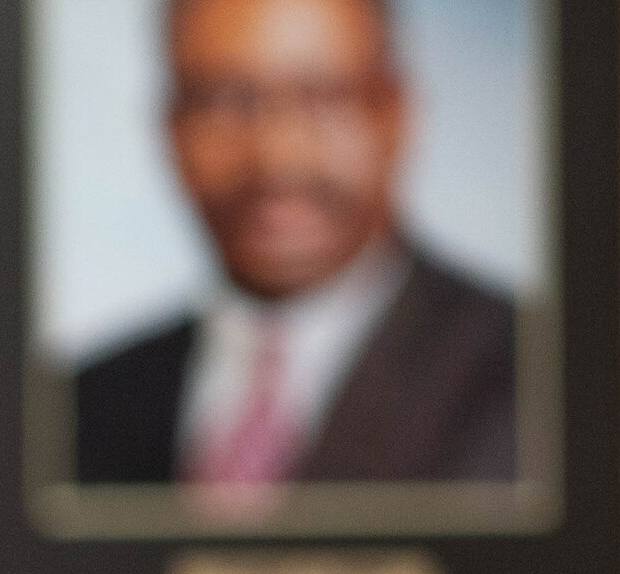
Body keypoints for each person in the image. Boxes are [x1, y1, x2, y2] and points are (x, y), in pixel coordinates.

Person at [62, 0, 526, 503]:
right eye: (225, 101)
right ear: (171, 128)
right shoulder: (77, 407)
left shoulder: (537, 380)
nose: (278, 157)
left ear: (397, 115)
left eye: (325, 98)